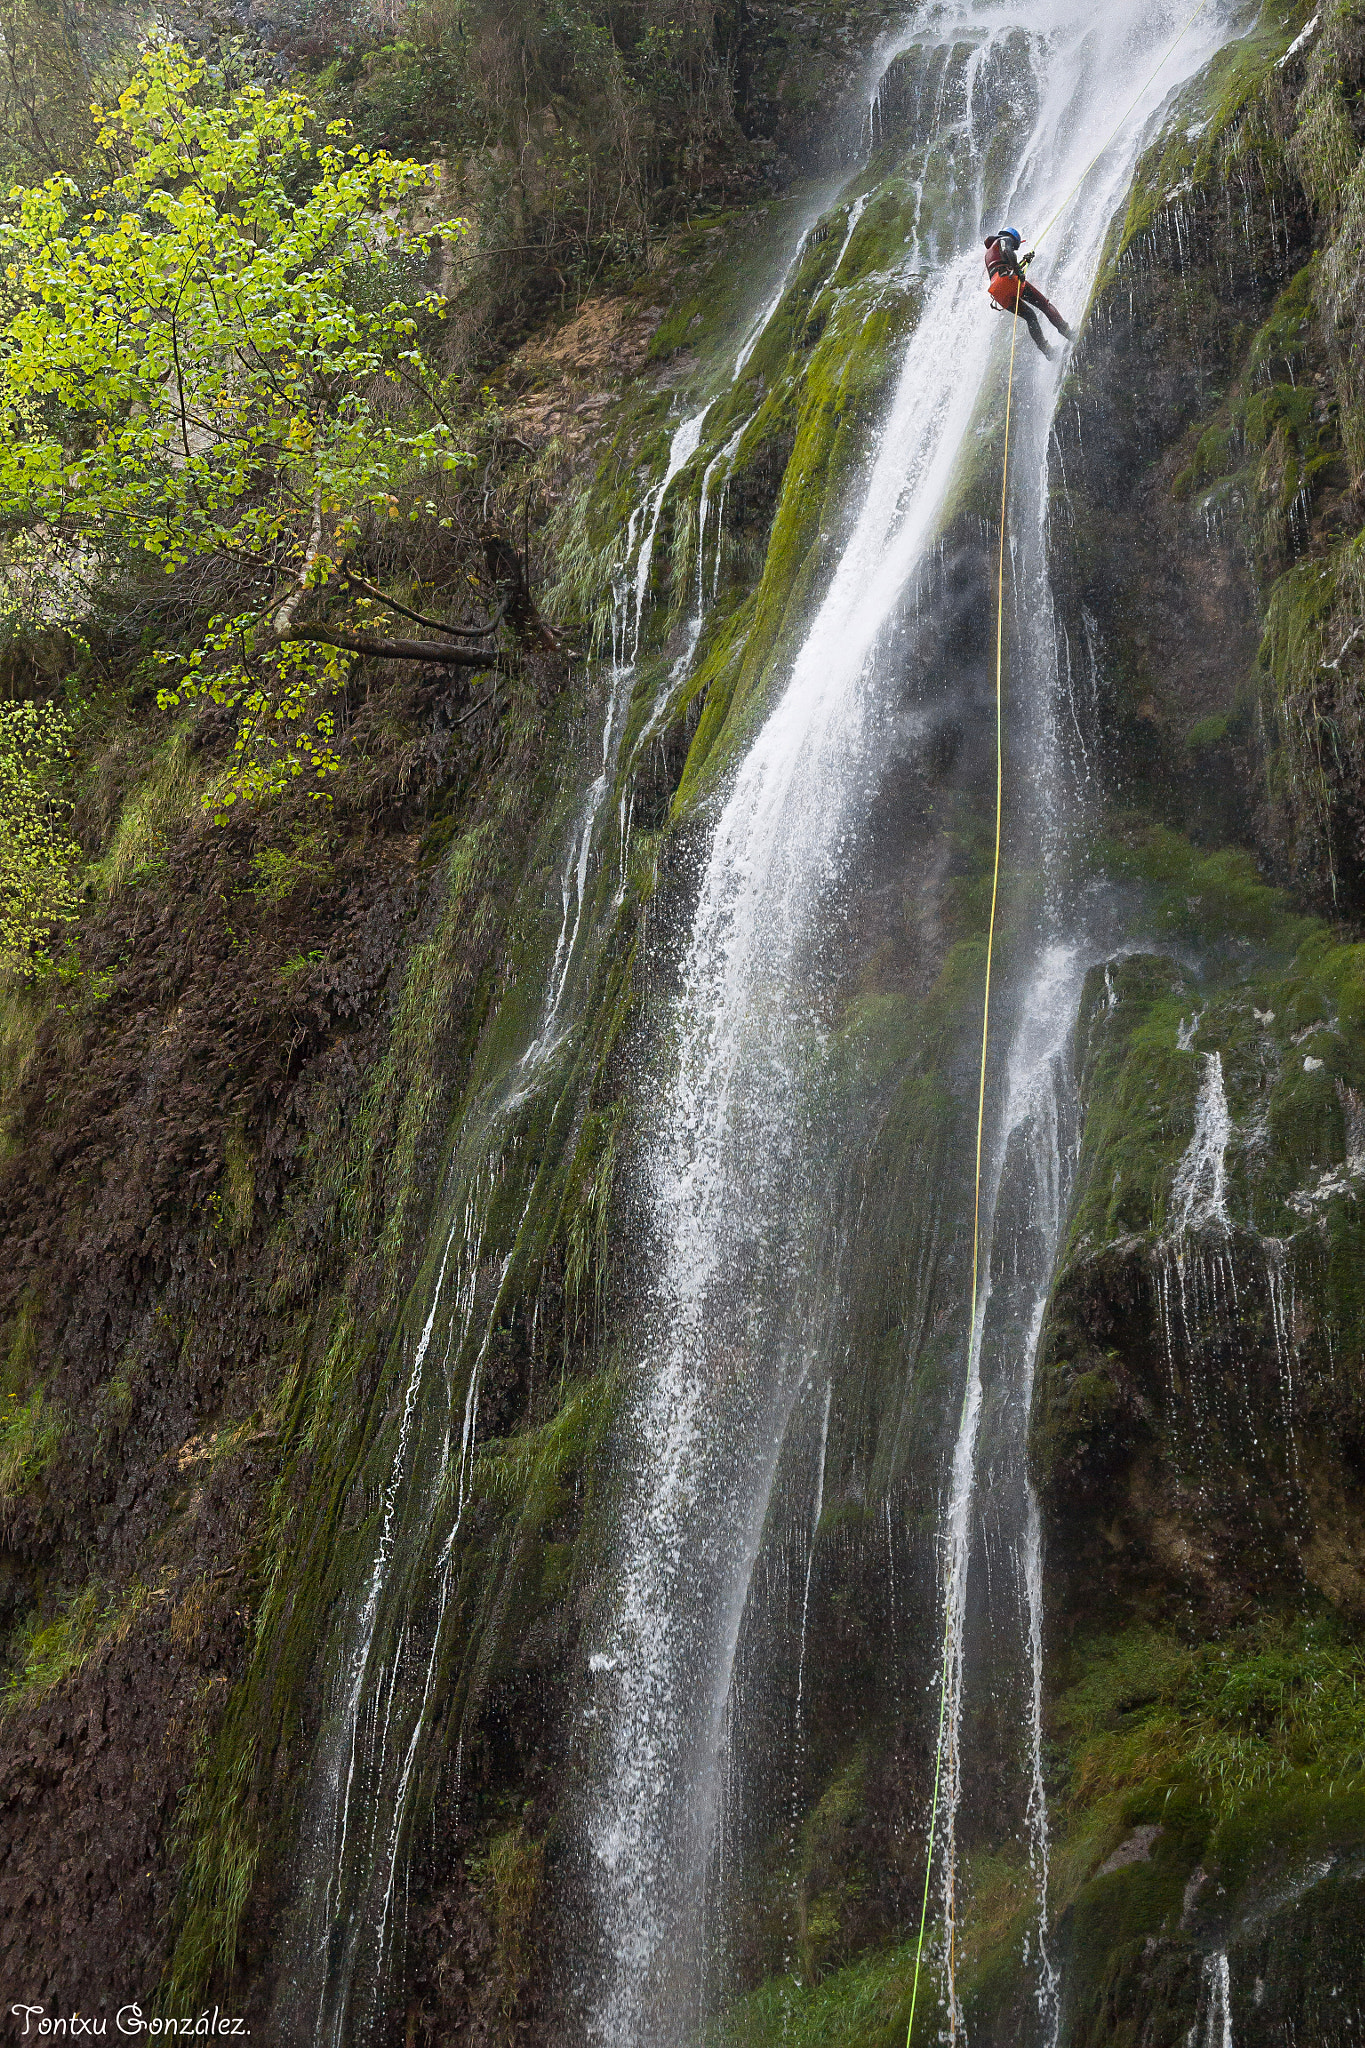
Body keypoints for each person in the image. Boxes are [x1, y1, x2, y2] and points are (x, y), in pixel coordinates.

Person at [983, 228, 1073, 359]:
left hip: (997, 291)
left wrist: (1023, 262)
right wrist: (1018, 271)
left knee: (1030, 316)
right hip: (1007, 279)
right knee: (1044, 304)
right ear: (1013, 238)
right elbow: (1008, 252)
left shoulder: (989, 253)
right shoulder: (1004, 240)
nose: (1014, 248)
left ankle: (1047, 350)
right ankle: (1068, 332)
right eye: (1015, 246)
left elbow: (1002, 265)